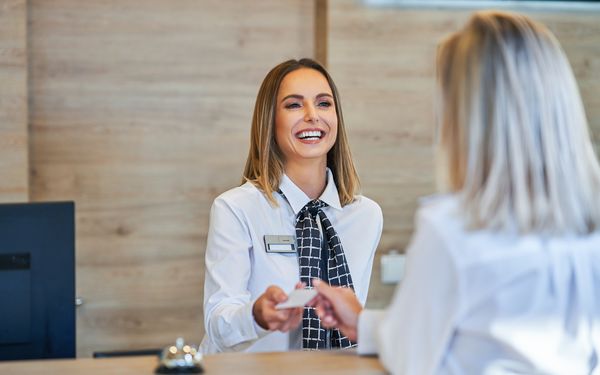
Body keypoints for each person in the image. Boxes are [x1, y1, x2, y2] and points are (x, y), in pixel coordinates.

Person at [311, 11, 600, 374]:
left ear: (470, 116)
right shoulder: (588, 225)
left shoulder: (453, 227)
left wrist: (367, 324)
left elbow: (410, 359)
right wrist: (363, 322)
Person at [201, 58, 383, 353]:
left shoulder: (366, 216)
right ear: (270, 120)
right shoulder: (235, 209)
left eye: (324, 103)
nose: (312, 116)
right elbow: (217, 325)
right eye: (294, 105)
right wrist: (256, 316)